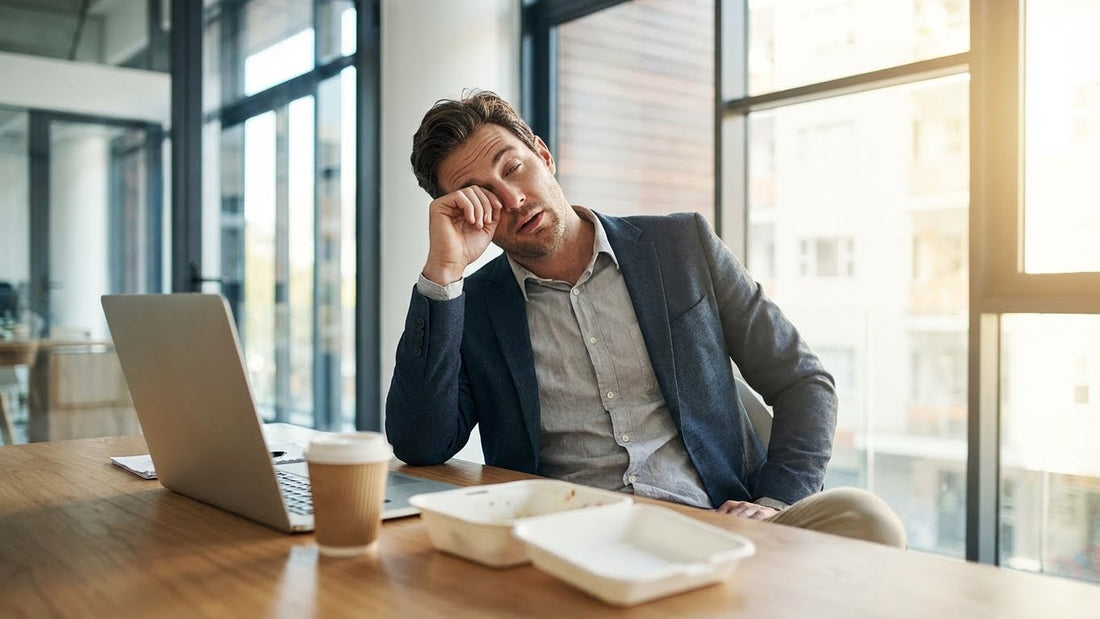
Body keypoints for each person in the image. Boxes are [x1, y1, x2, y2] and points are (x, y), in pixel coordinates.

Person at [386, 90, 905, 547]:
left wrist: (773, 501)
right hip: (568, 538)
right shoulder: (470, 305)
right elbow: (420, 444)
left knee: (867, 518)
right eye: (483, 195)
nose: (512, 198)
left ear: (543, 155)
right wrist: (444, 271)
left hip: (717, 523)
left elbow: (803, 381)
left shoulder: (681, 246)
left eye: (513, 167)